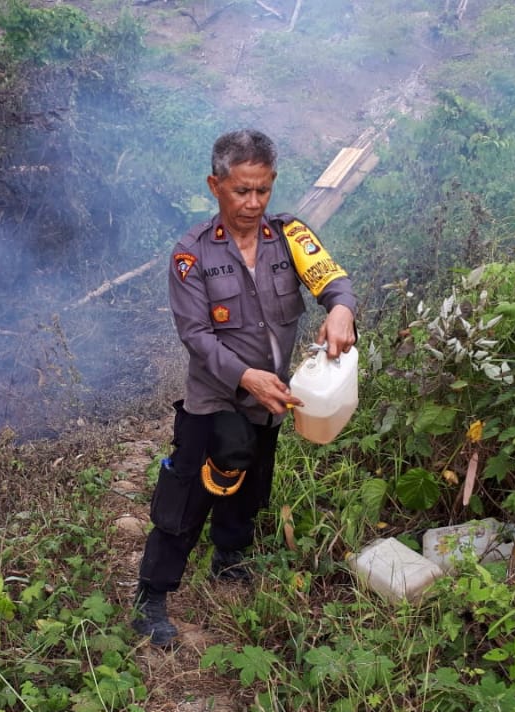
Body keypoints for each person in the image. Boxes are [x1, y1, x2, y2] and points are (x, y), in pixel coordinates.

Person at [132, 128, 358, 647]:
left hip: (273, 399)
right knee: (190, 490)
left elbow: (333, 282)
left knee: (251, 483)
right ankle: (151, 595)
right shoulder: (191, 254)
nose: (253, 203)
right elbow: (196, 336)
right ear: (216, 185)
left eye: (262, 190)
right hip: (216, 398)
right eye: (241, 191)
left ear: (272, 182)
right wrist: (247, 377)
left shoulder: (292, 236)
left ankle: (229, 559)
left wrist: (341, 308)